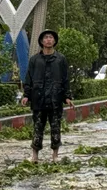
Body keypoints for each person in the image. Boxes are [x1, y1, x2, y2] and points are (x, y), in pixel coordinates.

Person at [21, 29, 71, 163]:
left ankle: (55, 155)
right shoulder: (34, 60)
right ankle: (35, 156)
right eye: (46, 37)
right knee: (37, 127)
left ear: (54, 41)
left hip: (55, 99)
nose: (48, 39)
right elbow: (29, 79)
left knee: (55, 128)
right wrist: (26, 95)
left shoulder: (61, 59)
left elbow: (66, 79)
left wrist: (67, 96)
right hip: (38, 99)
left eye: (51, 37)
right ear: (42, 41)